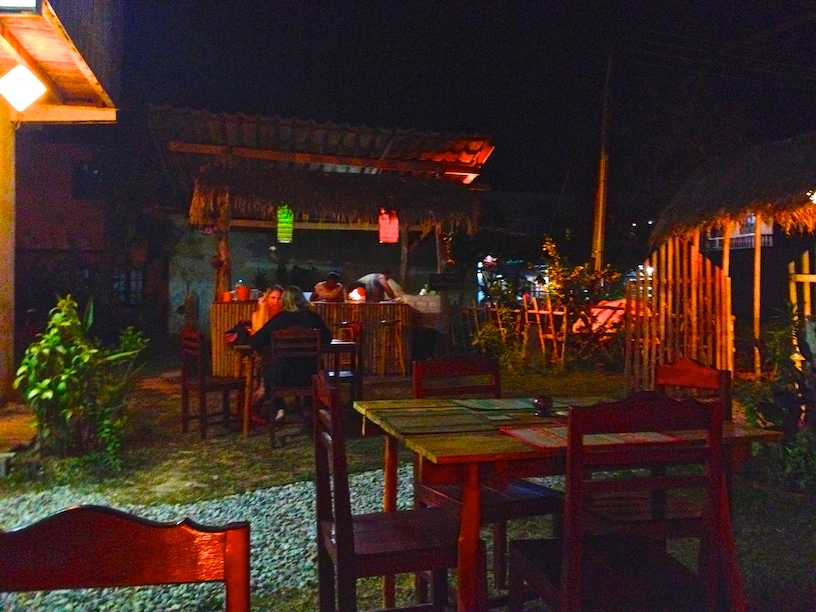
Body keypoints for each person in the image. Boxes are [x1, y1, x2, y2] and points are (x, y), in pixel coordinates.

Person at [248, 286, 332, 421]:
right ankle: (309, 407)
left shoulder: (279, 320)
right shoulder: (313, 318)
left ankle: (279, 408)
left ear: (284, 301)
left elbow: (254, 341)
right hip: (310, 376)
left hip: (282, 377)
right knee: (310, 363)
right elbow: (328, 338)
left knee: (267, 369)